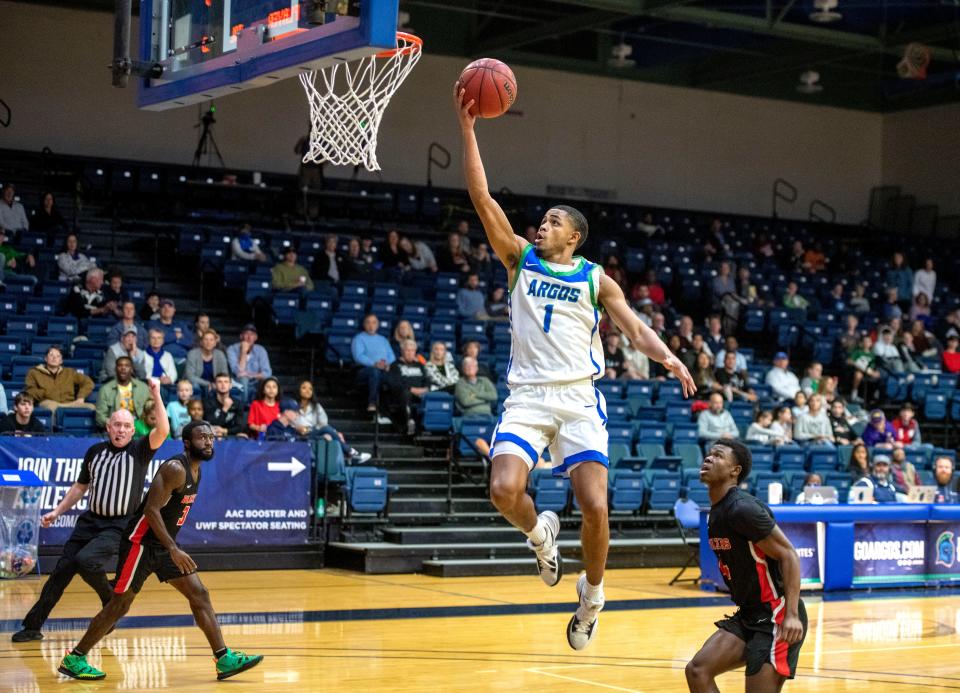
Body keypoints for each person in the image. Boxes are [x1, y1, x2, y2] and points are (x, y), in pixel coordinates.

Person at [457, 83, 695, 650]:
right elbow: (482, 199)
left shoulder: (595, 278)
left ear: (576, 236)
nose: (543, 225)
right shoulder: (518, 259)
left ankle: (592, 596)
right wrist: (467, 130)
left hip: (580, 399)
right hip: (528, 398)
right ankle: (540, 533)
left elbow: (635, 330)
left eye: (554, 221)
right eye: (542, 219)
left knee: (595, 504)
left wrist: (670, 358)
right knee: (503, 490)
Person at [57, 420, 263, 682]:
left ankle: (223, 658)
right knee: (119, 605)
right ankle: (75, 657)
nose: (208, 442)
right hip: (140, 544)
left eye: (211, 437)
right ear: (187, 443)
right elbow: (150, 511)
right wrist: (173, 548)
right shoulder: (175, 468)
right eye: (202, 438)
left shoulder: (196, 471)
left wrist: (170, 548)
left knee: (199, 593)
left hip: (164, 547)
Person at [12, 379, 168, 643]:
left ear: (133, 431)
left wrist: (156, 393)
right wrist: (57, 512)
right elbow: (80, 487)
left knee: (86, 561)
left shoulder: (140, 451)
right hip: (89, 522)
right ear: (108, 427)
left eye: (126, 426)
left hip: (120, 525)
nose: (121, 429)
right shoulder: (94, 452)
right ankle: (32, 626)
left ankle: (109, 602)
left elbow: (163, 429)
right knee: (61, 572)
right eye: (116, 425)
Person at [687, 440, 806, 692]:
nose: (708, 459)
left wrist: (792, 615)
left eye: (718, 456)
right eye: (708, 454)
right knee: (698, 671)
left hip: (777, 616)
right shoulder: (717, 511)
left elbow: (789, 555)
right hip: (750, 613)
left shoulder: (742, 508)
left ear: (735, 470)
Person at [293, 380, 370, 462]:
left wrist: (310, 429)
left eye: (310, 389)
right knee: (330, 433)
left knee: (328, 433)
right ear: (298, 390)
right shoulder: (292, 404)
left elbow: (323, 422)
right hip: (296, 434)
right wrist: (298, 428)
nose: (308, 391)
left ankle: (349, 453)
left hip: (312, 433)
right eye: (304, 388)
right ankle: (351, 452)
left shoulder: (316, 406)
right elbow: (290, 422)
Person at [24, 346, 95, 412]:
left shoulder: (69, 372)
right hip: (48, 402)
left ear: (61, 361)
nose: (54, 358)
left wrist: (81, 397)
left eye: (58, 356)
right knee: (51, 406)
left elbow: (88, 382)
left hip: (69, 403)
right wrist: (45, 393)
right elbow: (30, 391)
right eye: (51, 355)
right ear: (45, 358)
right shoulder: (34, 372)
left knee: (91, 407)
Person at [351, 314, 396, 414]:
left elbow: (391, 356)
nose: (371, 325)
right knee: (375, 372)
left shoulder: (383, 339)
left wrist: (387, 364)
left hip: (383, 369)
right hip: (364, 370)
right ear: (364, 324)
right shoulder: (359, 338)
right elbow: (358, 357)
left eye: (374, 322)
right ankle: (372, 403)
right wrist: (374, 364)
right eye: (368, 322)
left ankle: (392, 407)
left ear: (378, 325)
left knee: (395, 374)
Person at [95, 357, 151, 429]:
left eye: (127, 366)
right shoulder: (105, 390)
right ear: (115, 369)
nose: (123, 368)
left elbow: (150, 411)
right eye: (120, 365)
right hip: (115, 429)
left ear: (131, 369)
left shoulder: (143, 388)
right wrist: (115, 425)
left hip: (139, 429)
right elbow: (100, 417)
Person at [387, 339, 429, 436]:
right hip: (403, 394)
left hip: (421, 393)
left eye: (412, 350)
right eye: (407, 350)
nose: (410, 353)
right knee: (405, 393)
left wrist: (425, 388)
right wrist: (411, 389)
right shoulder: (395, 365)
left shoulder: (420, 365)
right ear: (402, 351)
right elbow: (394, 383)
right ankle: (409, 421)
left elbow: (427, 380)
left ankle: (428, 427)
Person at [226, 324, 273, 402]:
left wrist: (250, 375)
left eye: (252, 334)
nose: (249, 337)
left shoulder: (261, 350)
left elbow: (267, 373)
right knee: (243, 379)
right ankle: (242, 409)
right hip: (236, 383)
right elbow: (238, 373)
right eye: (246, 334)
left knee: (272, 380)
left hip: (255, 383)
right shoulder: (232, 349)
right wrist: (243, 352)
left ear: (256, 337)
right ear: (241, 336)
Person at [184, 329, 229, 394]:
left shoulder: (220, 355)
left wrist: (216, 384)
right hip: (197, 383)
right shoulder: (192, 354)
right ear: (201, 342)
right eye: (206, 339)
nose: (208, 342)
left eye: (211, 340)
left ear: (215, 343)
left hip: (214, 385)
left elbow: (224, 374)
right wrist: (208, 384)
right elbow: (190, 376)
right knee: (195, 386)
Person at [203, 373, 246, 439]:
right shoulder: (208, 403)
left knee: (242, 437)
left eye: (226, 382)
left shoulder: (237, 403)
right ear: (214, 385)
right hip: (214, 435)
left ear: (230, 385)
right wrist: (225, 409)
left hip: (230, 434)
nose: (223, 384)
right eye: (219, 382)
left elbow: (240, 427)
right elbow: (213, 425)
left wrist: (225, 431)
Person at [847, 334, 882, 402]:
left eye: (868, 341)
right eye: (865, 341)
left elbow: (873, 366)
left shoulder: (872, 355)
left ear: (871, 343)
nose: (866, 343)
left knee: (879, 374)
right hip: (858, 371)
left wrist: (873, 372)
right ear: (862, 343)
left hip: (869, 371)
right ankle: (854, 394)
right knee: (858, 375)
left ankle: (875, 395)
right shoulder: (858, 352)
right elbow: (849, 361)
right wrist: (858, 364)